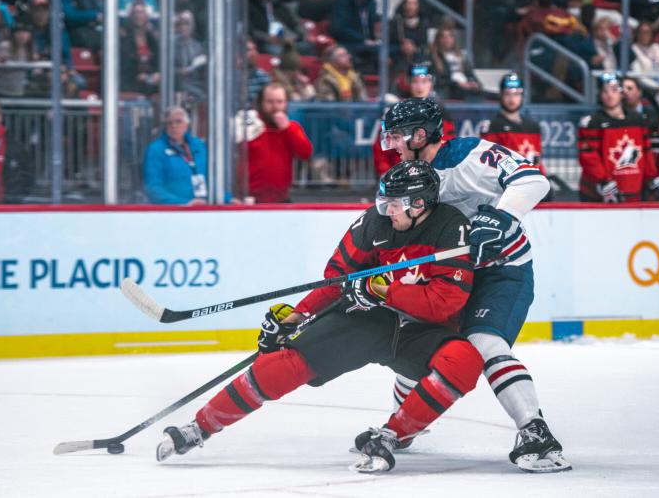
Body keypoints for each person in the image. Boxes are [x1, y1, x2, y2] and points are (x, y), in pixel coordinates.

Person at [156, 160, 484, 474]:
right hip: (369, 320)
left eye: (395, 204)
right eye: (386, 203)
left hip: (422, 329)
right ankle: (199, 427)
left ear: (420, 203)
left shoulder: (450, 227)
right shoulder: (374, 223)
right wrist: (297, 317)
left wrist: (384, 291)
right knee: (284, 362)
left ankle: (392, 434)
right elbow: (336, 279)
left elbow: (444, 303)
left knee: (464, 361)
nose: (388, 211)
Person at [379, 98, 570, 473]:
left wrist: (501, 215)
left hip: (502, 270)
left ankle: (535, 431)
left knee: (484, 343)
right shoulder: (410, 174)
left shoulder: (468, 155)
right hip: (454, 276)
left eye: (398, 136)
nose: (393, 145)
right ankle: (404, 425)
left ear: (421, 134)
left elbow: (533, 179)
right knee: (419, 344)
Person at [578, 72, 659, 202]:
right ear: (600, 94)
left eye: (614, 90)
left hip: (633, 191)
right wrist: (602, 181)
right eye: (605, 91)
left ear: (621, 93)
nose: (610, 95)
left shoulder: (638, 120)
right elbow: (588, 158)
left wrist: (652, 177)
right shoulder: (591, 122)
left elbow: (646, 152)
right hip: (598, 194)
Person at [234, 82, 313, 203]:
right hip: (250, 199)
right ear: (261, 103)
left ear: (286, 104)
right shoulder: (248, 126)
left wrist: (288, 129)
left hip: (281, 199)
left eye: (279, 102)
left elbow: (306, 153)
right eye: (270, 102)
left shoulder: (292, 127)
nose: (275, 106)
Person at [481, 73, 546, 176]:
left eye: (516, 94)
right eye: (507, 94)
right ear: (501, 95)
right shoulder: (491, 126)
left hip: (531, 182)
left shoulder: (533, 126)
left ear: (522, 96)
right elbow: (489, 162)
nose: (512, 99)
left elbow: (538, 161)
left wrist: (543, 180)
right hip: (505, 185)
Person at [143, 107, 209, 205]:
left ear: (186, 125)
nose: (174, 126)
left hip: (202, 207)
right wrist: (183, 203)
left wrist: (226, 198)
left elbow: (210, 178)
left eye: (178, 122)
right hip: (173, 211)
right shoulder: (156, 150)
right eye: (169, 123)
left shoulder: (198, 146)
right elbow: (153, 187)